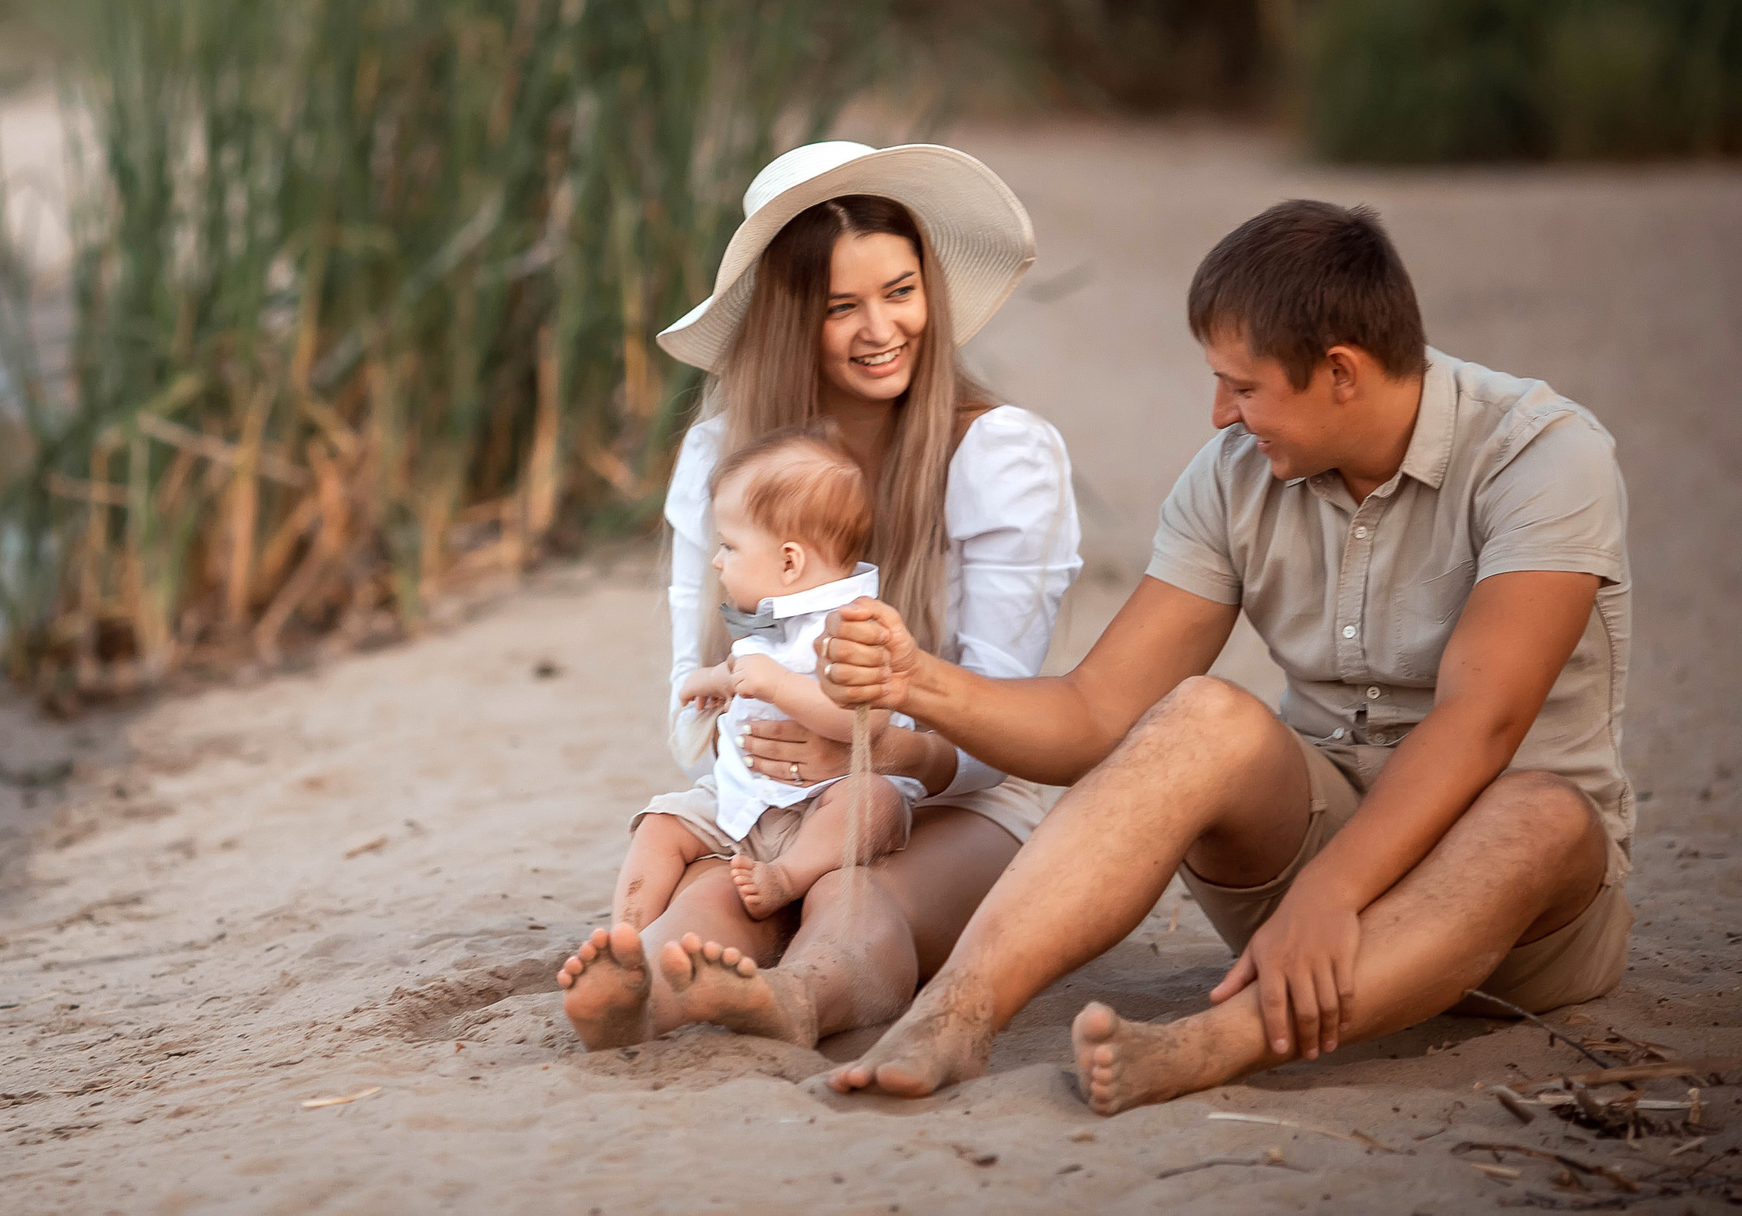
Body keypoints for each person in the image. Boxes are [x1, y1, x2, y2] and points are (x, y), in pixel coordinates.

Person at [815, 199, 1636, 1115]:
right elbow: (1096, 712)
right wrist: (918, 681)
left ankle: (1207, 1047)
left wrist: (1333, 891)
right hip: (1295, 906)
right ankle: (957, 1011)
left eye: (1241, 388)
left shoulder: (1543, 455)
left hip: (1517, 919)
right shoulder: (1235, 473)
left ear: (1340, 372)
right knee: (1202, 712)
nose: (1220, 415)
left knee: (1544, 816)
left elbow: (1482, 719)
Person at [555, 140, 1081, 1052]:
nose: (882, 328)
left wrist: (869, 741)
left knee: (849, 883)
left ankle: (804, 998)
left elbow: (999, 724)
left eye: (902, 291)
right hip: (769, 798)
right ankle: (637, 995)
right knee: (718, 891)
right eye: (842, 306)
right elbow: (688, 699)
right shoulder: (723, 458)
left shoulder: (999, 455)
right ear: (793, 320)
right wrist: (762, 742)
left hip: (950, 797)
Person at [618, 424, 921, 932]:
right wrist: (711, 680)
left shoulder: (855, 623)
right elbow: (745, 669)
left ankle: (789, 875)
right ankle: (624, 934)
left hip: (821, 805)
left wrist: (780, 686)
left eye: (731, 547)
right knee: (658, 825)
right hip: (743, 798)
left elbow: (869, 721)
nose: (717, 560)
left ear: (789, 561)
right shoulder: (767, 616)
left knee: (875, 801)